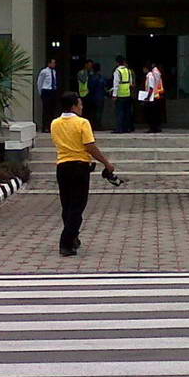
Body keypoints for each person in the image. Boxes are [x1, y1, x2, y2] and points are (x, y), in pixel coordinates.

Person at [50, 91, 115, 257]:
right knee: (77, 207)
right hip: (79, 167)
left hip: (62, 167)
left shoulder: (54, 123)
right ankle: (66, 242)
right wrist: (106, 163)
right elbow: (90, 146)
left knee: (67, 205)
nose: (82, 107)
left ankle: (73, 237)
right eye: (80, 104)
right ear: (73, 106)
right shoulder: (82, 123)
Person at [112, 55, 135, 133]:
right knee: (127, 112)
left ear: (117, 62)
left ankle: (119, 129)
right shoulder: (128, 70)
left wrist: (114, 95)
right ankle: (126, 128)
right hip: (127, 93)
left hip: (120, 94)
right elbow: (131, 83)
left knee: (120, 112)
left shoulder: (117, 71)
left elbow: (116, 84)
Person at [36, 58, 59, 133]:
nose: (54, 64)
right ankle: (45, 126)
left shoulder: (54, 72)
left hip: (53, 91)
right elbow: (40, 82)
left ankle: (51, 126)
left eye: (54, 63)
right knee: (46, 110)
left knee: (52, 110)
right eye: (53, 63)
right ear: (49, 64)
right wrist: (41, 93)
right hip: (46, 91)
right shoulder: (44, 71)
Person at [144, 61, 163, 133]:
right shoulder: (154, 73)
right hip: (155, 96)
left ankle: (153, 128)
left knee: (151, 114)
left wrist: (147, 97)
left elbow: (151, 87)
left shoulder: (150, 75)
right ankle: (155, 128)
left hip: (152, 97)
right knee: (155, 113)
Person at [87, 61, 107, 130]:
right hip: (100, 97)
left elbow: (90, 87)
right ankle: (98, 125)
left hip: (93, 97)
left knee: (93, 112)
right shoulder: (102, 78)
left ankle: (93, 125)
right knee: (99, 112)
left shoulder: (91, 77)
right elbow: (105, 86)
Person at [77, 58, 94, 126]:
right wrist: (88, 74)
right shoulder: (81, 73)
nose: (90, 67)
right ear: (86, 65)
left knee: (90, 111)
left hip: (90, 94)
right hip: (83, 94)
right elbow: (83, 80)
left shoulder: (92, 72)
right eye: (89, 65)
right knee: (84, 111)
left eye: (91, 65)